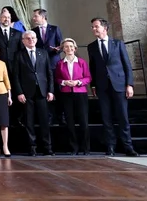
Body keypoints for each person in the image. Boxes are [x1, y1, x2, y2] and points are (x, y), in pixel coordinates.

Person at [88, 17, 139, 156]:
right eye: (92, 27)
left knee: (123, 117)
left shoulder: (118, 43)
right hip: (102, 87)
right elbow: (92, 67)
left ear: (105, 28)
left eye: (96, 26)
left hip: (119, 85)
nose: (93, 29)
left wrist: (129, 84)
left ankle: (128, 146)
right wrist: (93, 86)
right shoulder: (91, 46)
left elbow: (127, 65)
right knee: (106, 118)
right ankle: (110, 146)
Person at [13, 31, 54, 156]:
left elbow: (49, 73)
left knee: (44, 121)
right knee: (29, 121)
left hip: (42, 91)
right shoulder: (19, 55)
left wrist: (51, 91)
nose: (31, 40)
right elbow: (16, 76)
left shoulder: (43, 53)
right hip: (27, 93)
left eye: (33, 38)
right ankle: (32, 147)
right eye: (28, 38)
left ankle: (47, 147)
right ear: (23, 40)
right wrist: (19, 92)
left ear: (36, 39)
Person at [55, 38, 91, 155]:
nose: (69, 48)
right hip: (66, 94)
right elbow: (57, 78)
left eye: (71, 46)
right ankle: (74, 148)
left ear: (75, 48)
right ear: (63, 49)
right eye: (66, 46)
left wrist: (78, 82)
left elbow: (88, 77)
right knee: (69, 122)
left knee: (83, 121)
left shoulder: (82, 62)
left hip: (80, 93)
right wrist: (64, 82)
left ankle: (85, 148)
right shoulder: (60, 64)